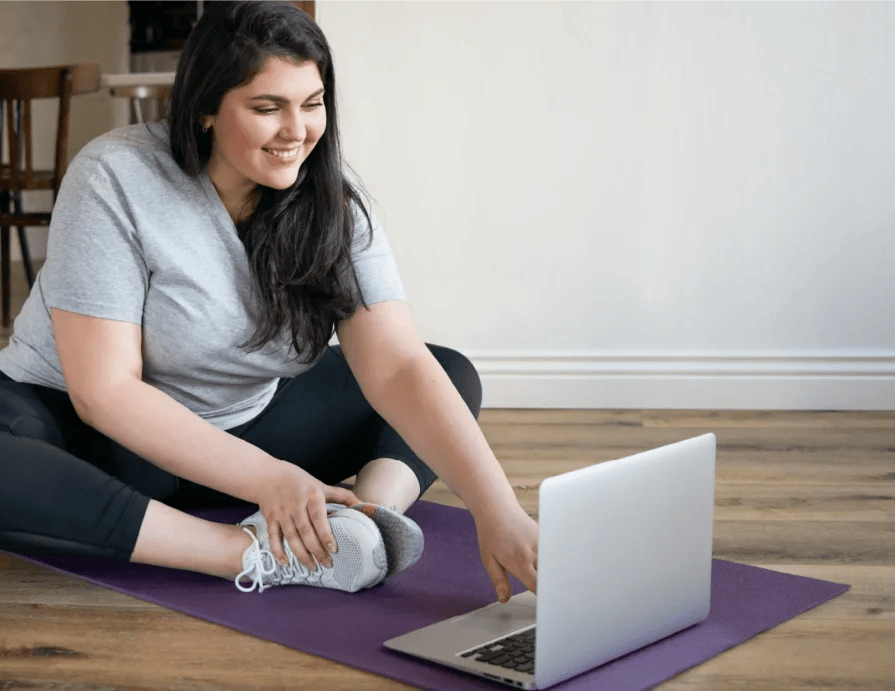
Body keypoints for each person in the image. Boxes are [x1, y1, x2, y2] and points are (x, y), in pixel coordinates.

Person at [0, 0, 537, 602]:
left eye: (312, 105)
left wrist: (500, 511)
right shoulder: (116, 176)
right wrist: (272, 479)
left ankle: (356, 525)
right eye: (267, 108)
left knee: (444, 372)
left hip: (244, 428)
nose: (297, 131)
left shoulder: (332, 205)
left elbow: (397, 364)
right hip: (97, 438)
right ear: (205, 107)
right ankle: (255, 553)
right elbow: (105, 393)